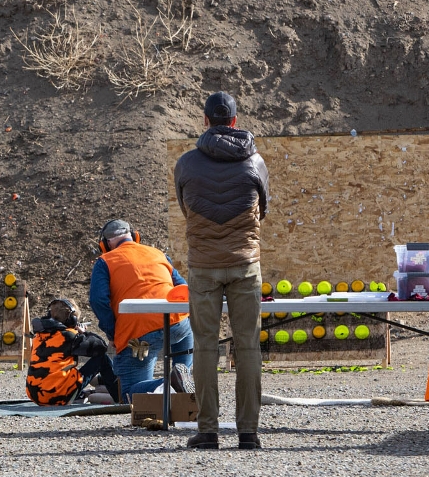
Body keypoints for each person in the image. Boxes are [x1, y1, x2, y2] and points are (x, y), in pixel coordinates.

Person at [173, 91, 269, 450]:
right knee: (247, 348)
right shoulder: (255, 162)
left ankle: (208, 430)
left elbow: (186, 208)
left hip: (204, 266)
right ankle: (249, 433)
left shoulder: (186, 163)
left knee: (204, 347)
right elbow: (264, 210)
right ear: (234, 120)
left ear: (205, 121)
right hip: (245, 264)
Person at [87, 220, 193, 401]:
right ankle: (183, 381)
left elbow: (98, 300)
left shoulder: (105, 261)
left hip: (137, 334)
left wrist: (113, 333)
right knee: (186, 329)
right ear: (135, 236)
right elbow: (183, 286)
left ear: (104, 245)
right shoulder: (157, 254)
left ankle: (171, 383)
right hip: (177, 323)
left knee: (128, 392)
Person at [26, 298, 119, 405]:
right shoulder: (69, 336)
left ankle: (95, 385)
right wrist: (84, 333)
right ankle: (119, 396)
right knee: (102, 359)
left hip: (36, 396)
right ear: (72, 320)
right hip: (58, 395)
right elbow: (101, 347)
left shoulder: (38, 335)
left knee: (66, 367)